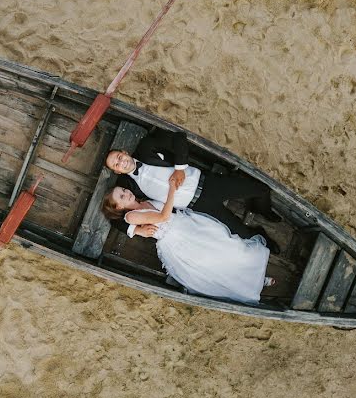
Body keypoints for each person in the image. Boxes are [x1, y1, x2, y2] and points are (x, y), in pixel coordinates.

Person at [104, 129, 282, 253]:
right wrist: (137, 231)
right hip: (198, 206)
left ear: (125, 152)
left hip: (209, 183)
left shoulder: (146, 147)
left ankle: (261, 208)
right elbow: (114, 217)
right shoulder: (126, 185)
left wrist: (179, 168)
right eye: (116, 164)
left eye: (119, 157)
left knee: (261, 189)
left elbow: (179, 138)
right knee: (240, 233)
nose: (121, 162)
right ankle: (261, 234)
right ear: (117, 171)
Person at [102, 179, 275, 305]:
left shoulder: (144, 201)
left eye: (124, 190)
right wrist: (171, 189)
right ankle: (253, 286)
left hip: (187, 226)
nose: (127, 193)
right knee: (213, 263)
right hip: (177, 241)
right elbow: (163, 216)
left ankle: (257, 277)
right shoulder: (130, 216)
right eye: (122, 197)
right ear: (119, 207)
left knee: (228, 248)